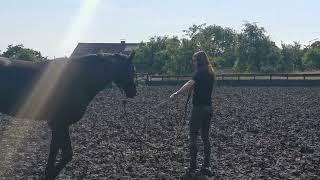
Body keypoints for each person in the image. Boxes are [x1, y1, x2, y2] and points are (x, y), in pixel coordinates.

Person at [170, 51, 215, 178]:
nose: (193, 62)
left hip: (199, 109)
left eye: (194, 60)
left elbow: (189, 84)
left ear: (199, 61)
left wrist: (176, 94)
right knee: (206, 137)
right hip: (209, 108)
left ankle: (193, 166)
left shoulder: (199, 72)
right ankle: (206, 166)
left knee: (193, 136)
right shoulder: (211, 72)